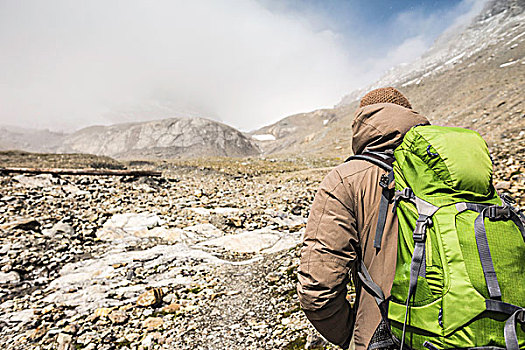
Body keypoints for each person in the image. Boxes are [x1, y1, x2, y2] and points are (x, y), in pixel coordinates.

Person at [297, 87, 430, 349]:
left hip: (389, 338)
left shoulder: (346, 179)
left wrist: (354, 337)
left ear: (362, 123)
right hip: (483, 330)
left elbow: (317, 291)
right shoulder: (454, 172)